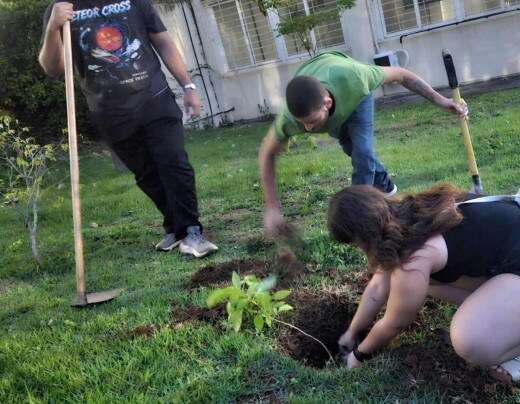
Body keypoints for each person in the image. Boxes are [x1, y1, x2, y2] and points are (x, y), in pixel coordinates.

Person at [39, 1, 217, 258]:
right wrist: (53, 27)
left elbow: (164, 42)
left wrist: (188, 87)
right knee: (145, 173)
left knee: (174, 162)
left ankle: (191, 231)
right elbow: (52, 68)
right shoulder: (62, 8)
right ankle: (175, 228)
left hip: (154, 98)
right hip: (109, 111)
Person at [259, 51, 468, 237]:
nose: (308, 129)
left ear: (327, 103)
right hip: (330, 104)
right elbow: (267, 153)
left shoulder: (356, 76)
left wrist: (442, 101)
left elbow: (402, 74)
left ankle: (360, 219)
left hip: (354, 96)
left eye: (312, 122)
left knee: (363, 153)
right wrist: (272, 207)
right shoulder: (291, 118)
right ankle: (386, 188)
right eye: (302, 124)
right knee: (353, 149)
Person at [328, 183, 520, 383]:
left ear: (363, 238)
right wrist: (352, 332)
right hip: (506, 257)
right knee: (427, 284)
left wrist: (359, 355)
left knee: (470, 341)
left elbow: (394, 323)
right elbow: (377, 288)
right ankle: (504, 320)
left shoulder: (413, 258)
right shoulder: (405, 218)